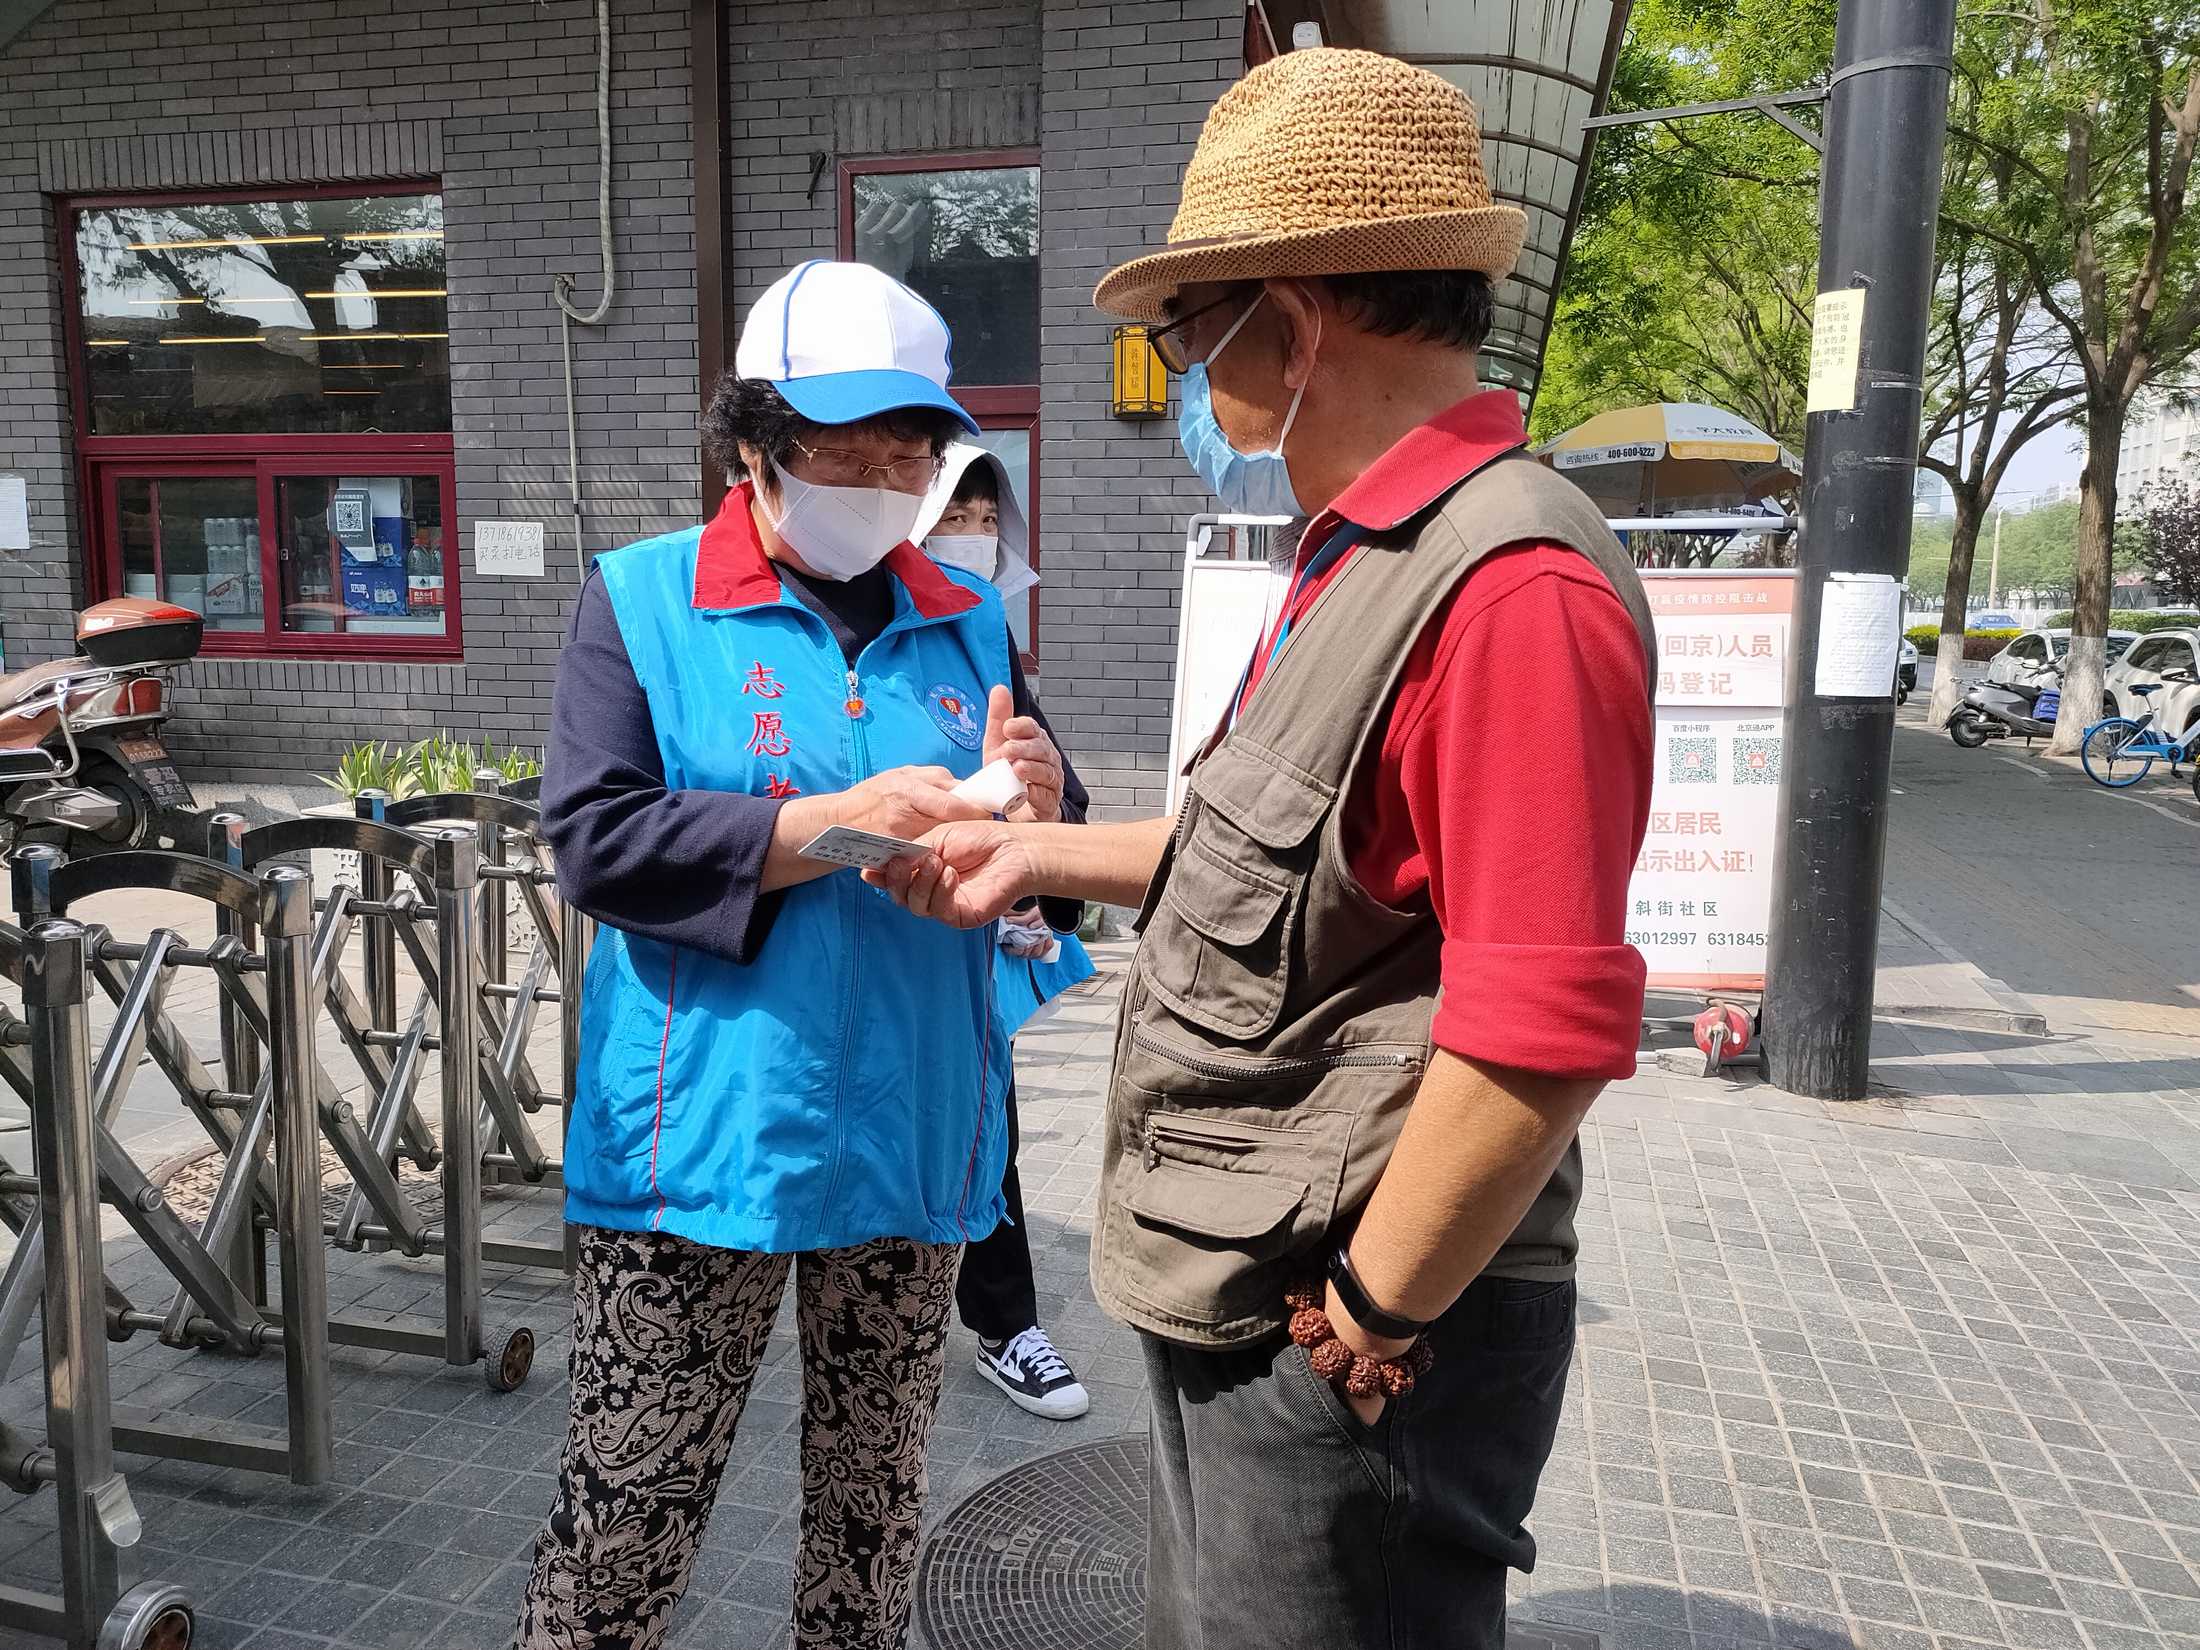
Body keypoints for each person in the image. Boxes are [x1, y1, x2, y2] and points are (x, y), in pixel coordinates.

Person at [870, 48, 1658, 1650]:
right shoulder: (1364, 553)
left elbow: (1539, 1030)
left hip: (1348, 1320)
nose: (1187, 388)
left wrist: (1367, 1317)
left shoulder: (1512, 588)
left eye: (1189, 340)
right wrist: (1038, 857)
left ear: (1290, 327)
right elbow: (1267, 858)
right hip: (1263, 1287)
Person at [516, 258, 1081, 1650]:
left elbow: (1041, 847)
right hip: (703, 1143)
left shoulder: (966, 616)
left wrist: (1043, 813)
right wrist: (833, 826)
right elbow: (596, 839)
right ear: (755, 443)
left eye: (908, 452)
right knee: (625, 1523)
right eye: (842, 449)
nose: (881, 480)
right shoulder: (644, 599)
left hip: (912, 1133)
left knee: (874, 1517)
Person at [913, 447, 1095, 1420]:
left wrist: (1039, 849)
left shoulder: (984, 642)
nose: (973, 539)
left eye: (987, 522)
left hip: (961, 959)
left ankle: (1005, 1325)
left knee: (986, 1131)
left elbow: (1059, 791)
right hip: (846, 947)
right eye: (955, 518)